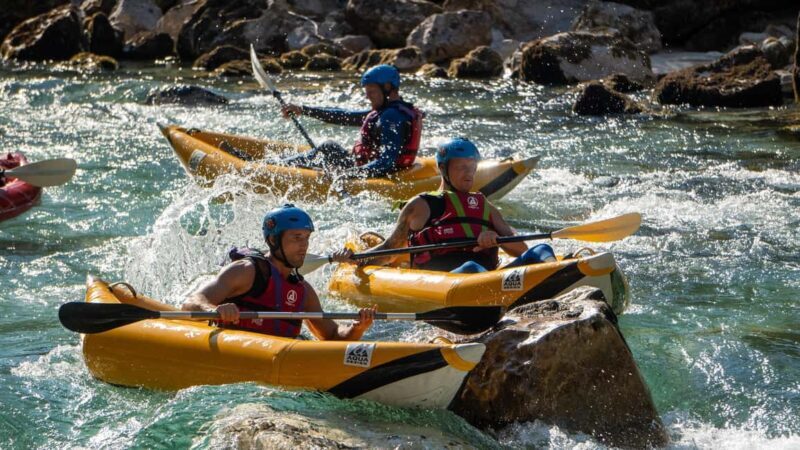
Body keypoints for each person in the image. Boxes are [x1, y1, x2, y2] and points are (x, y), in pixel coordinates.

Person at [334, 138, 557, 273]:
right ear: (443, 169)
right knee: (471, 268)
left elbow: (520, 249)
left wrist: (494, 238)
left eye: (472, 167)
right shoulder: (421, 205)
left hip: (487, 277)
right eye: (461, 167)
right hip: (447, 279)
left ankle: (556, 276)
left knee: (542, 250)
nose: (468, 173)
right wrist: (356, 259)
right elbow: (391, 250)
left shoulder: (484, 206)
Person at [182, 204, 376, 340]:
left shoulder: (303, 291)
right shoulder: (246, 271)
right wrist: (213, 310)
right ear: (274, 241)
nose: (304, 246)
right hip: (234, 351)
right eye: (296, 237)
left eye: (306, 238)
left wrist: (357, 327)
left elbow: (332, 335)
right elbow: (191, 304)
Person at [278, 64, 423, 178]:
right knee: (329, 148)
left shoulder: (391, 117)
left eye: (371, 91)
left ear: (387, 88)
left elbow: (387, 162)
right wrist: (304, 110)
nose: (368, 97)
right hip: (367, 167)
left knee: (328, 148)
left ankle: (277, 168)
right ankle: (280, 164)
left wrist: (348, 174)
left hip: (372, 173)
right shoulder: (393, 111)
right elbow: (344, 116)